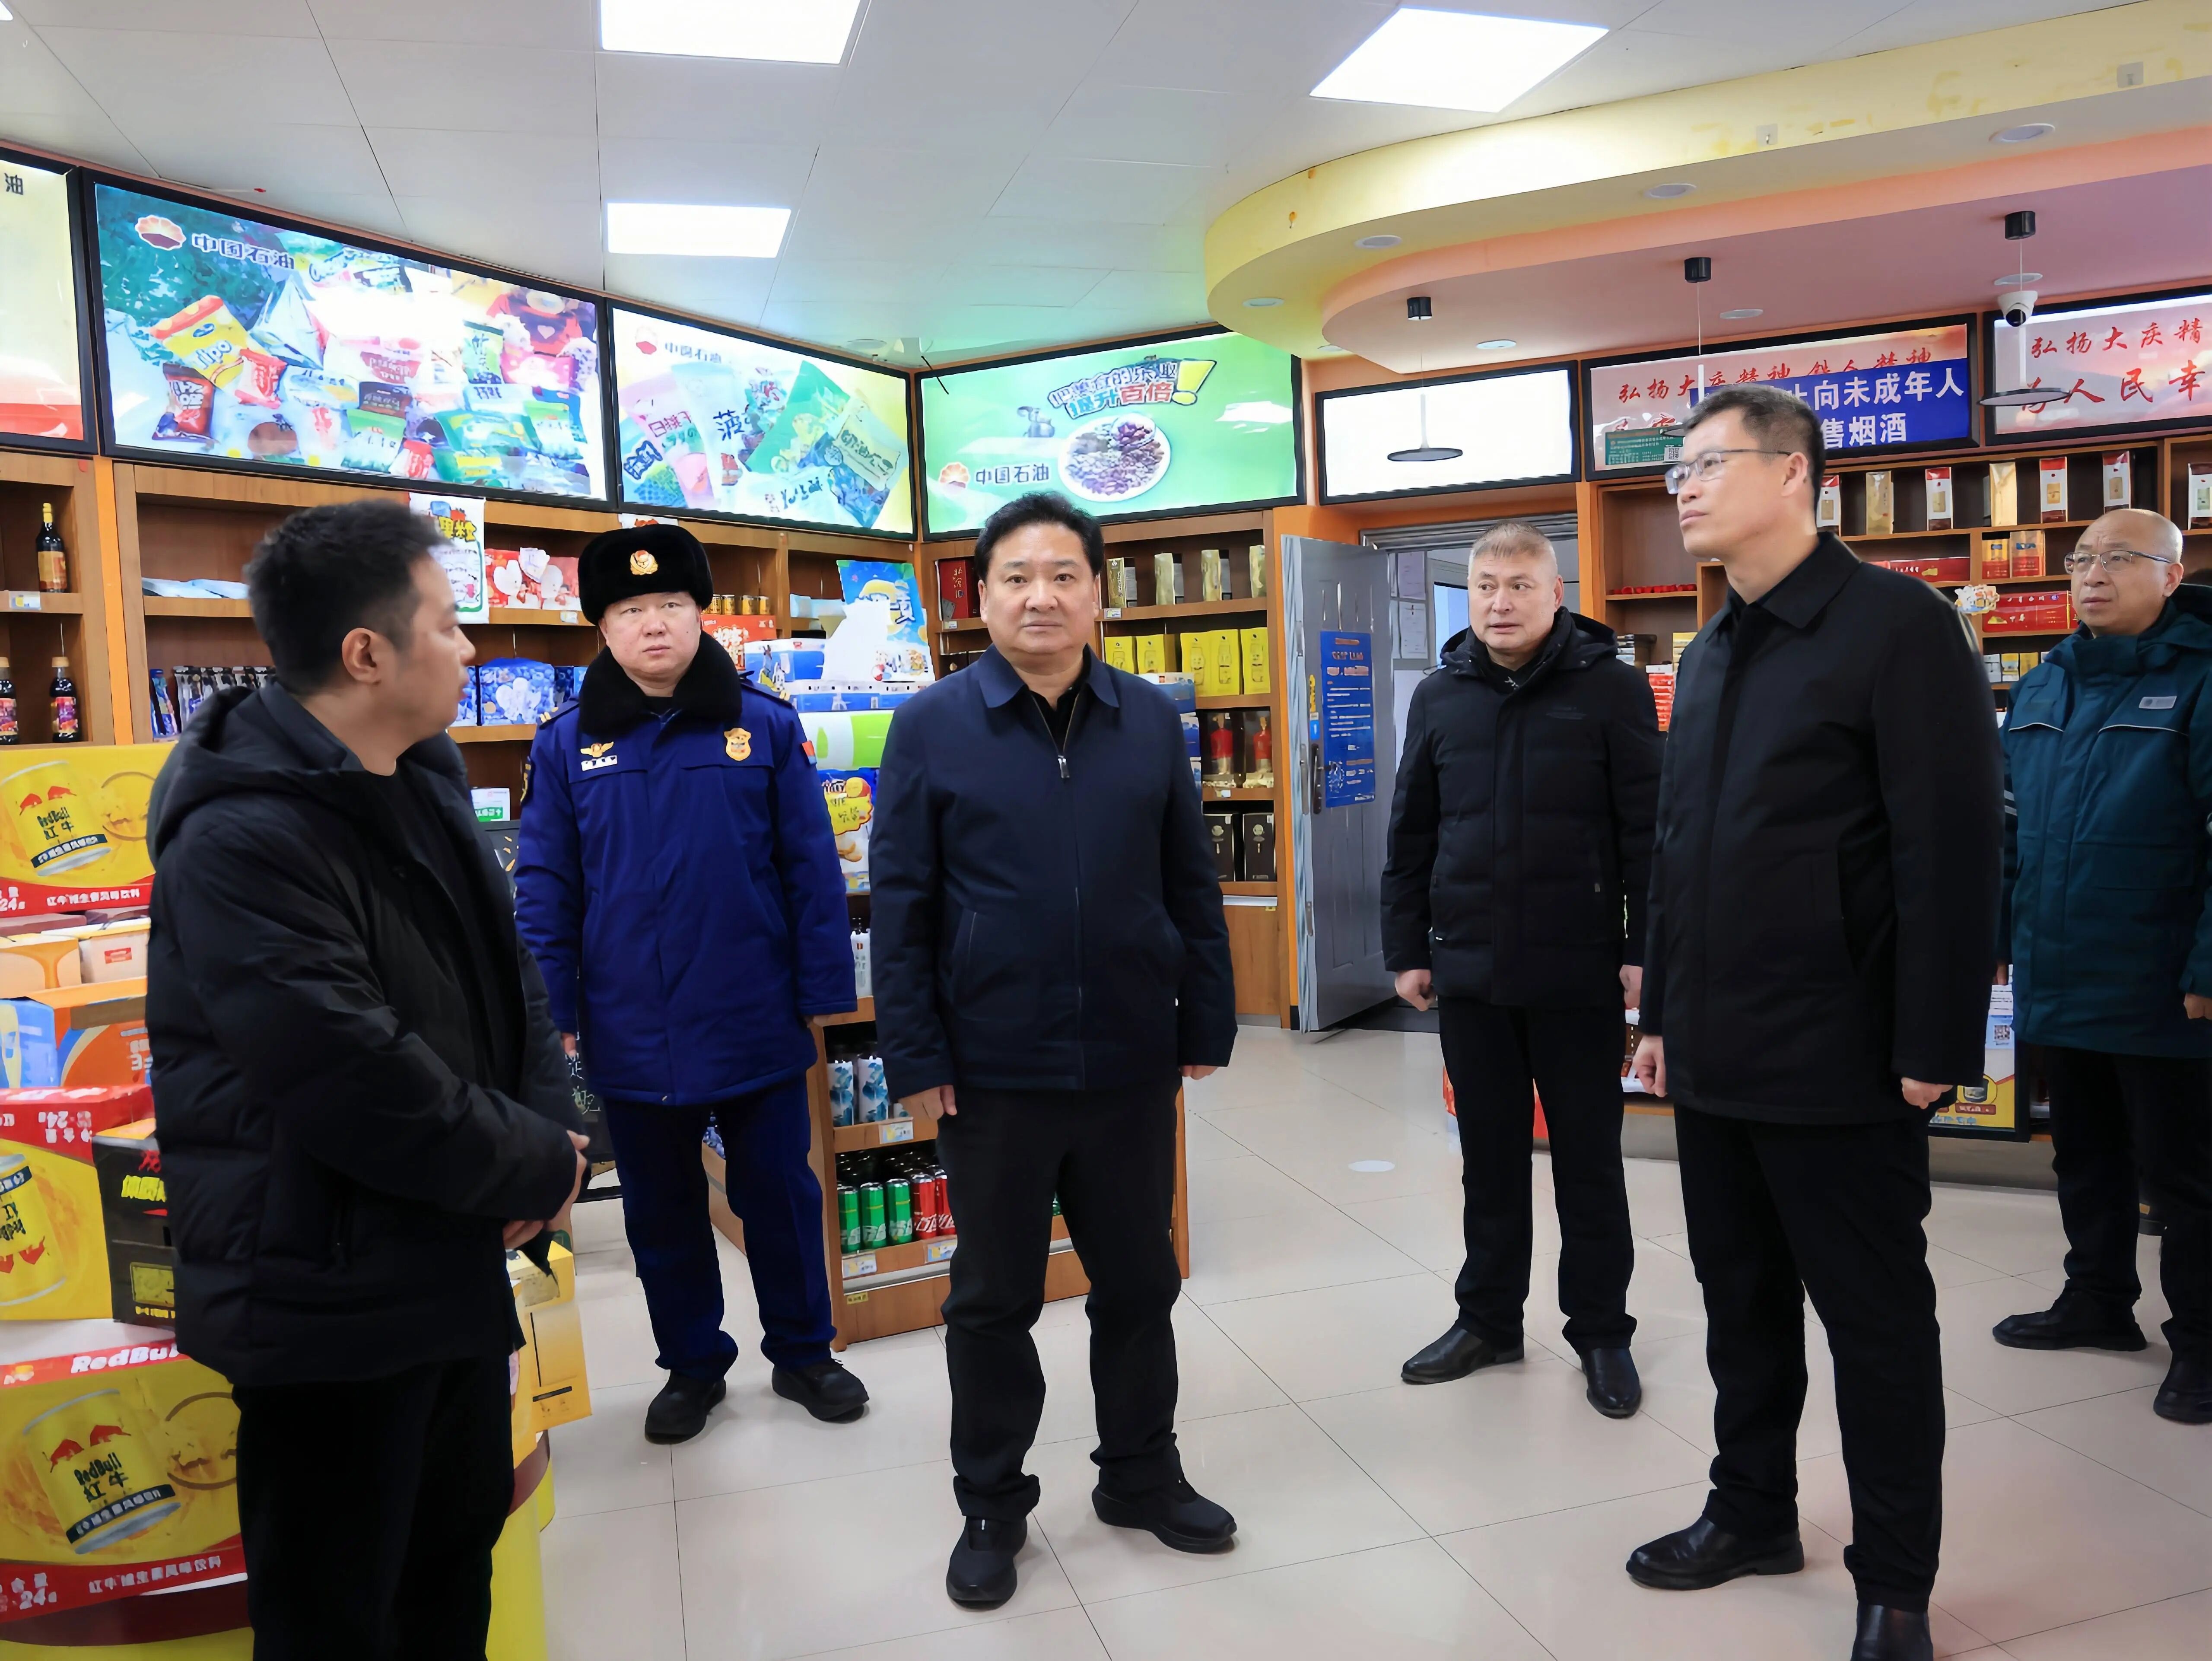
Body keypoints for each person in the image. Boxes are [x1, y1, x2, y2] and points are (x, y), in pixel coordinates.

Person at [147, 499, 591, 1660]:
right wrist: (531, 1161)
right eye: (446, 624)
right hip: (323, 1297)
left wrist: (550, 1126)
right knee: (338, 1614)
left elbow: (511, 974)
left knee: (449, 1570)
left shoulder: (417, 770)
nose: (471, 649)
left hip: (439, 1259)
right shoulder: (240, 835)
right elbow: (351, 1072)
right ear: (366, 653)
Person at [1625, 387, 2001, 1661]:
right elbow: (1679, 849)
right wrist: (1662, 1010)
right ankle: (1751, 1511)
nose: (1683, 486)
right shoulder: (1709, 651)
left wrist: (1936, 1046)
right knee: (1739, 1306)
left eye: (1706, 463)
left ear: (1795, 473)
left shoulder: (1898, 625)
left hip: (1843, 1055)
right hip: (1716, 1047)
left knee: (1875, 1326)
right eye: (1676, 469)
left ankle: (1895, 1582)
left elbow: (1951, 848)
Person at [870, 491, 1239, 1610]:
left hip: (1129, 1058)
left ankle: (1140, 1472)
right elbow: (903, 904)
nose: (1042, 596)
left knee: (1140, 1281)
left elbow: (1190, 879)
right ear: (981, 596)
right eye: (1017, 577)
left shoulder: (1149, 720)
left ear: (1098, 594)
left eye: (1064, 575)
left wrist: (1205, 1018)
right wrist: (915, 1053)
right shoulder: (931, 725)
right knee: (992, 1299)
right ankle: (992, 1502)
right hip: (993, 1068)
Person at [515, 523, 866, 1445]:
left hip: (754, 1010)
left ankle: (805, 1351)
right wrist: (552, 1012)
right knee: (661, 1210)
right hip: (631, 1024)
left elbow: (811, 870)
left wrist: (823, 993)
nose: (654, 623)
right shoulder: (566, 744)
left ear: (700, 614)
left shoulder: (765, 725)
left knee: (779, 1196)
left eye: (671, 603)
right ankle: (692, 1365)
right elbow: (545, 886)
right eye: (631, 609)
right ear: (602, 628)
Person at [1384, 522, 1659, 1416]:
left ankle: (1602, 1331)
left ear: (1554, 594)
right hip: (1470, 972)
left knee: (1589, 1163)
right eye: (1485, 586)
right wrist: (1405, 948)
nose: (1499, 602)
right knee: (1490, 1162)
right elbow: (1412, 831)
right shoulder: (1441, 695)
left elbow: (1646, 834)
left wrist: (1642, 950)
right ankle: (1489, 1320)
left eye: (1518, 585)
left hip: (1579, 969)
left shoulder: (1611, 689)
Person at [1993, 507, 2211, 1425]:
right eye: (2082, 558)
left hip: (2163, 981)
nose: (2092, 574)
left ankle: (2203, 1342)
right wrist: (1999, 940)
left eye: (2120, 558)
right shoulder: (2046, 681)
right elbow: (2010, 826)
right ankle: (2097, 1300)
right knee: (2083, 1154)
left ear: (2171, 575)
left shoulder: (2202, 679)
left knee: (2186, 1175)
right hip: (2059, 969)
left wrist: (2208, 968)